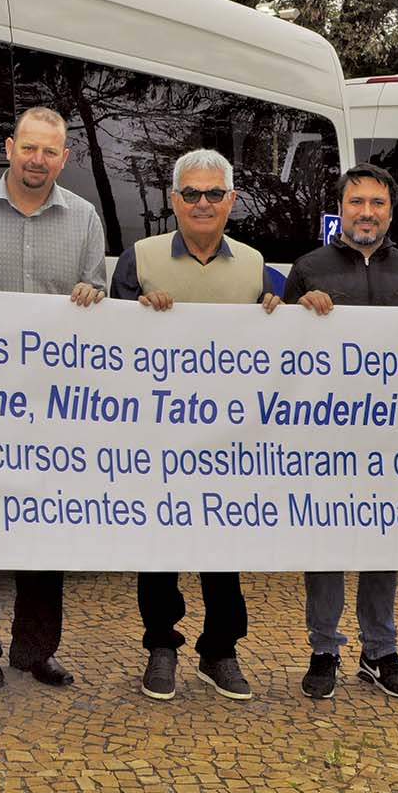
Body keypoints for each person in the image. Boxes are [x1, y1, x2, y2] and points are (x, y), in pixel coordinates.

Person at [0, 107, 108, 690]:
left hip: (51, 405)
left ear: (65, 158)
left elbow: (99, 298)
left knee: (45, 527)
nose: (37, 160)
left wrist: (93, 295)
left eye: (49, 151)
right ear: (9, 148)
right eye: (28, 147)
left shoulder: (84, 218)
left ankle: (36, 650)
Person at [111, 149, 281, 701]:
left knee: (223, 547)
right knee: (159, 545)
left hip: (230, 440)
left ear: (231, 200)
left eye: (213, 193)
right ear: (173, 199)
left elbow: (292, 335)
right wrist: (138, 310)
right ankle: (161, 646)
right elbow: (108, 344)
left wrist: (286, 308)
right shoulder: (139, 259)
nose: (202, 203)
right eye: (191, 193)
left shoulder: (257, 266)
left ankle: (220, 651)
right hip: (157, 436)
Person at [278, 162, 398, 702]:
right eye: (357, 202)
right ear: (341, 209)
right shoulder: (308, 268)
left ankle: (379, 651)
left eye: (377, 203)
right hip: (324, 439)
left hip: (392, 439)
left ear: (391, 213)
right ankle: (324, 649)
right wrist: (297, 310)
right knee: (325, 545)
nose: (366, 213)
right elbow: (278, 350)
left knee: (382, 544)